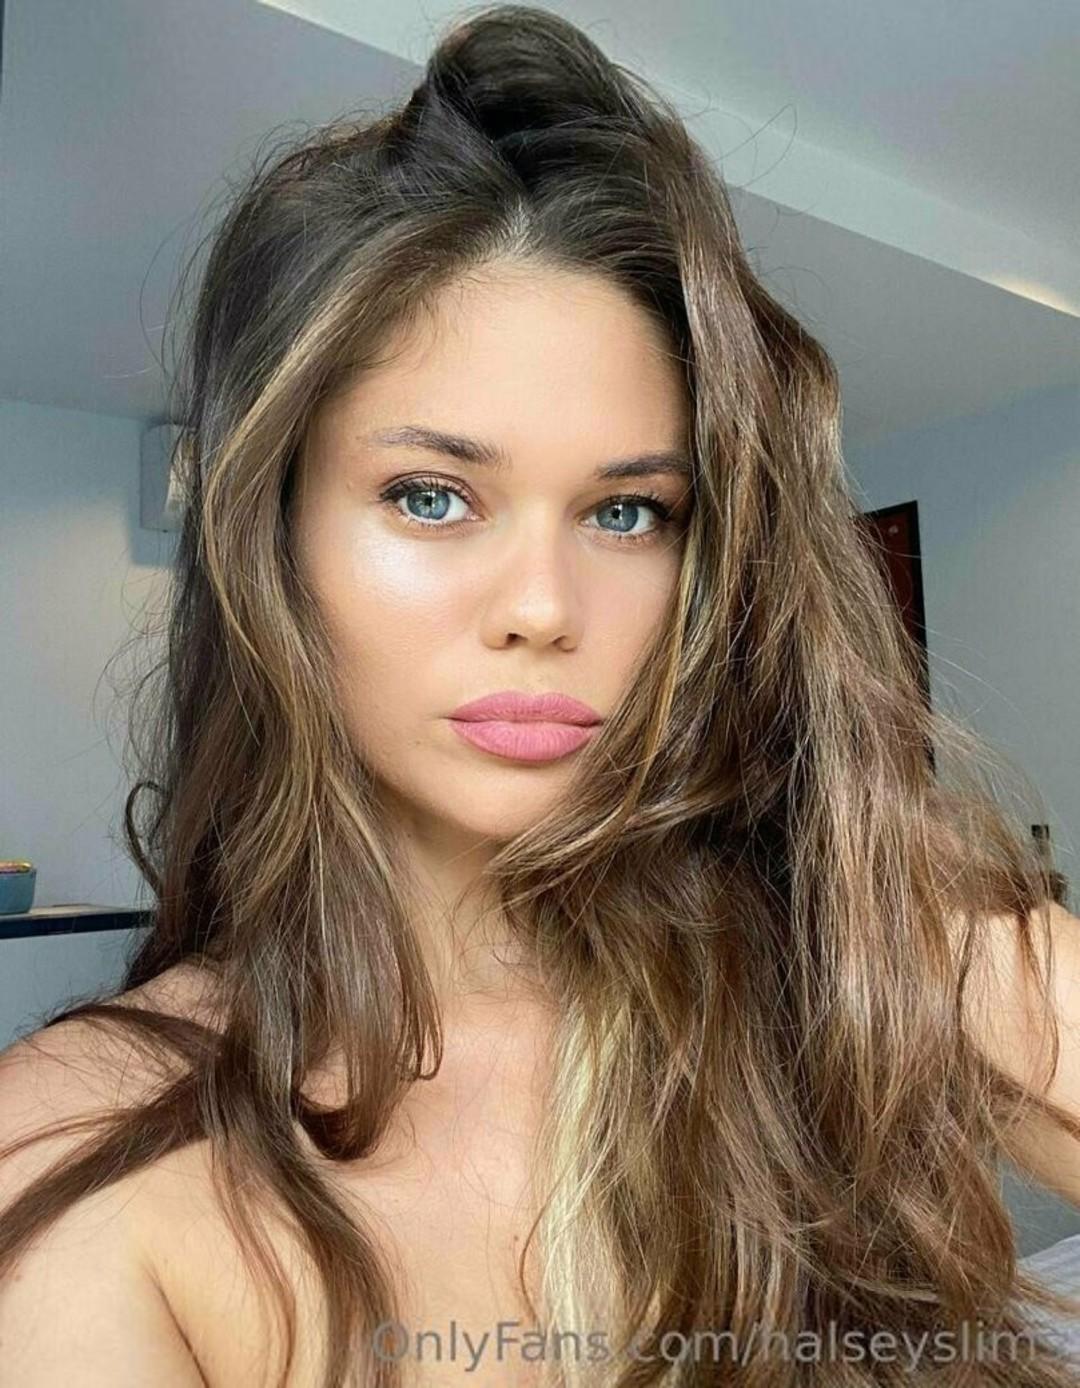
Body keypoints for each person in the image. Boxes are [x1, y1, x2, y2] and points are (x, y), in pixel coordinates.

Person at [1, 5, 1079, 1385]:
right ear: (273, 540)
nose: (544, 608)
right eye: (431, 495)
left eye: (628, 513)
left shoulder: (866, 955)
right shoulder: (78, 1157)